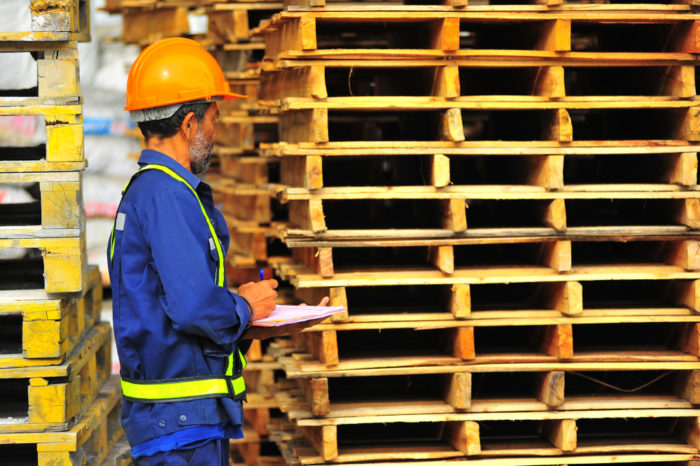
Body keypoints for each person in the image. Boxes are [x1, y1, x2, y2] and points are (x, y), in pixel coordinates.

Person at [107, 38, 325, 466]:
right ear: (189, 124)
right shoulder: (168, 196)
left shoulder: (150, 192)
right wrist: (245, 306)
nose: (215, 132)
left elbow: (168, 308)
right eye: (214, 120)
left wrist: (250, 323)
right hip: (181, 430)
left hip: (176, 422)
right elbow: (192, 307)